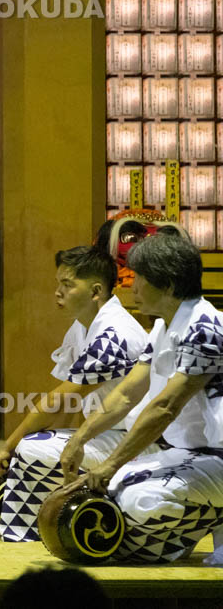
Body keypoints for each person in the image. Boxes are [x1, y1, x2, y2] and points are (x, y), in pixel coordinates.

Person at [61, 233, 223, 564]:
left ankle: (208, 521)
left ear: (168, 285)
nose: (130, 286)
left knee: (136, 497)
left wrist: (110, 464)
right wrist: (80, 439)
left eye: (138, 278)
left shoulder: (204, 327)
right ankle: (186, 535)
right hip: (191, 451)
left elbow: (165, 407)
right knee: (115, 487)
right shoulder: (163, 327)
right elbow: (126, 394)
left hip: (218, 453)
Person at [0, 246, 151, 543]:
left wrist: (9, 445)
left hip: (139, 441)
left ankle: (44, 527)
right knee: (39, 443)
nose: (58, 292)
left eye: (67, 284)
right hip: (111, 433)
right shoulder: (82, 327)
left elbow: (58, 400)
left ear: (95, 291)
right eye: (58, 284)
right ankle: (52, 520)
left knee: (29, 448)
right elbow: (64, 405)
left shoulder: (113, 333)